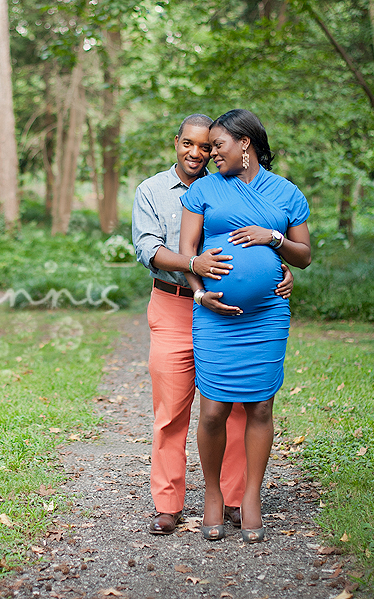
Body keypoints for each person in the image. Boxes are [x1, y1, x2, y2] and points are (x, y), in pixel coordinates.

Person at [132, 113, 294, 535]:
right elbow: (149, 248)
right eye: (189, 144)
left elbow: (271, 238)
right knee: (173, 410)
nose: (197, 153)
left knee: (236, 406)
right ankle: (168, 503)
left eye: (206, 146)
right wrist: (193, 266)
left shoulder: (225, 185)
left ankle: (235, 499)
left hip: (234, 313)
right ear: (176, 142)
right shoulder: (152, 190)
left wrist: (277, 268)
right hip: (175, 305)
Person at [179, 109, 311, 543]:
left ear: (245, 144)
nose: (211, 153)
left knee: (261, 407)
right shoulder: (203, 190)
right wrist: (200, 294)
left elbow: (303, 255)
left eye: (218, 145)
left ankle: (251, 495)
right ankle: (213, 494)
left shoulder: (287, 193)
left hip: (267, 316)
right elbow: (187, 253)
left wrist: (271, 238)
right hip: (215, 317)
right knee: (213, 409)